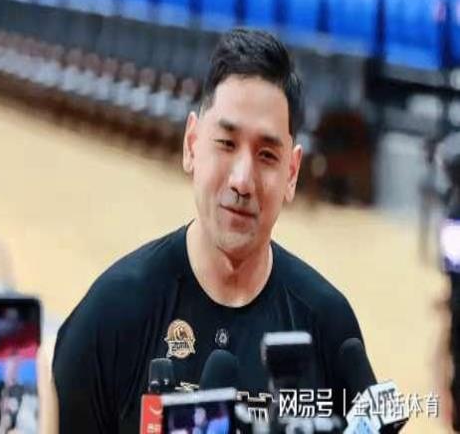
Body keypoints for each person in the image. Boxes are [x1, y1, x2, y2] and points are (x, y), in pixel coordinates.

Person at [52, 28, 370, 432]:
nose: (242, 180)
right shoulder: (112, 313)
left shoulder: (327, 325)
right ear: (192, 144)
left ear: (292, 173)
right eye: (226, 143)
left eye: (267, 155)